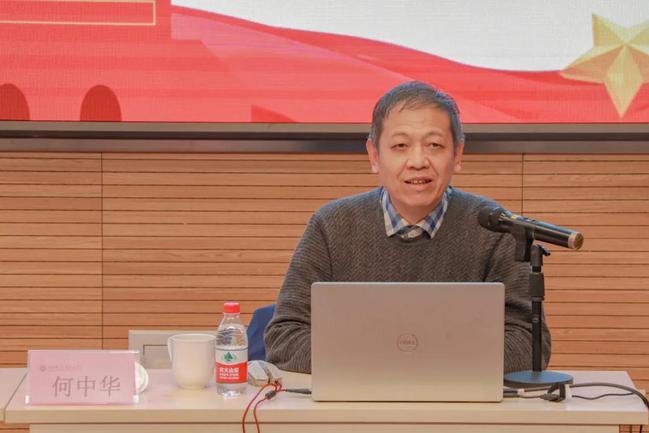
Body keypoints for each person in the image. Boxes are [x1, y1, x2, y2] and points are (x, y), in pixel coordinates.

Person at [264, 80, 550, 374]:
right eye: (400, 146)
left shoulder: (494, 228)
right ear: (375, 156)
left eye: (434, 145)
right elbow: (284, 337)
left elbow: (529, 344)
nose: (417, 161)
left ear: (457, 154)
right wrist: (391, 361)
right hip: (358, 398)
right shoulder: (332, 225)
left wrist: (416, 361)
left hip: (457, 399)